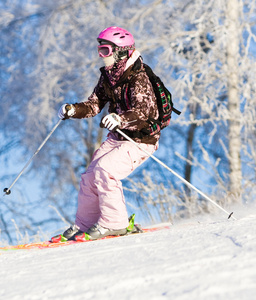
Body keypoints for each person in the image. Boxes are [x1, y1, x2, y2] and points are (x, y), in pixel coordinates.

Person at [55, 26, 160, 241]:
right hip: (118, 138)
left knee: (106, 171)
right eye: (100, 50)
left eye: (105, 51)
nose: (101, 56)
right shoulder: (109, 77)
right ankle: (85, 224)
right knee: (90, 177)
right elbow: (94, 105)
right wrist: (73, 110)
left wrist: (121, 118)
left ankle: (115, 223)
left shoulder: (138, 77)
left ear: (121, 51)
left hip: (141, 139)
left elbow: (144, 112)